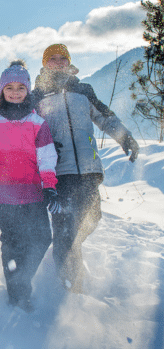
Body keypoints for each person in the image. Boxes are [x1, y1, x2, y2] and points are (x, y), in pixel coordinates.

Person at [32, 44, 140, 293]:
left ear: (69, 62)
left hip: (89, 171)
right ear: (45, 63)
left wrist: (125, 138)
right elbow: (28, 131)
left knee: (91, 220)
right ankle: (69, 287)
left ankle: (67, 253)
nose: (58, 63)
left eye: (63, 59)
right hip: (60, 174)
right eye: (53, 59)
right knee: (65, 232)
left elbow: (105, 117)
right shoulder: (38, 95)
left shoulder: (83, 90)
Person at [0, 62, 60, 312]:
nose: (14, 92)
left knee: (42, 238)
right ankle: (17, 293)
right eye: (9, 87)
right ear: (2, 90)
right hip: (2, 192)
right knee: (12, 242)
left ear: (28, 89)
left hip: (33, 191)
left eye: (20, 87)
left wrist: (50, 187)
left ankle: (21, 279)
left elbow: (46, 158)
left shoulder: (37, 122)